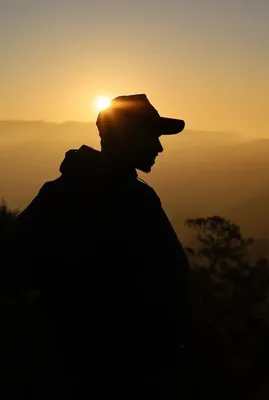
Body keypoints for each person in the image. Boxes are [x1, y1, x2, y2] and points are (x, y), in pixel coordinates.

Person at [0, 94, 191, 398]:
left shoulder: (58, 193)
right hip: (122, 373)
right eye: (151, 136)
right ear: (127, 136)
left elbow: (11, 266)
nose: (159, 147)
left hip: (69, 366)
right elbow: (172, 281)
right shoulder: (137, 201)